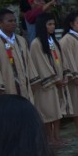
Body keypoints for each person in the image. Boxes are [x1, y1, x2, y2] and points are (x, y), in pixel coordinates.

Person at [28, 12, 70, 146]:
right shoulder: (36, 43)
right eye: (49, 24)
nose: (52, 27)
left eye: (53, 24)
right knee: (48, 113)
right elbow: (41, 64)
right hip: (46, 85)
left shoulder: (53, 41)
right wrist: (56, 79)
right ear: (42, 25)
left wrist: (64, 76)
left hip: (58, 82)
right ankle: (49, 138)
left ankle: (57, 137)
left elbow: (61, 60)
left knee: (57, 112)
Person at [0, 7, 34, 101]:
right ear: (0, 23)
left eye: (15, 20)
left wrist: (32, 80)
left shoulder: (21, 40)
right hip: (7, 86)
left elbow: (28, 62)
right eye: (9, 21)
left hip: (25, 85)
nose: (13, 23)